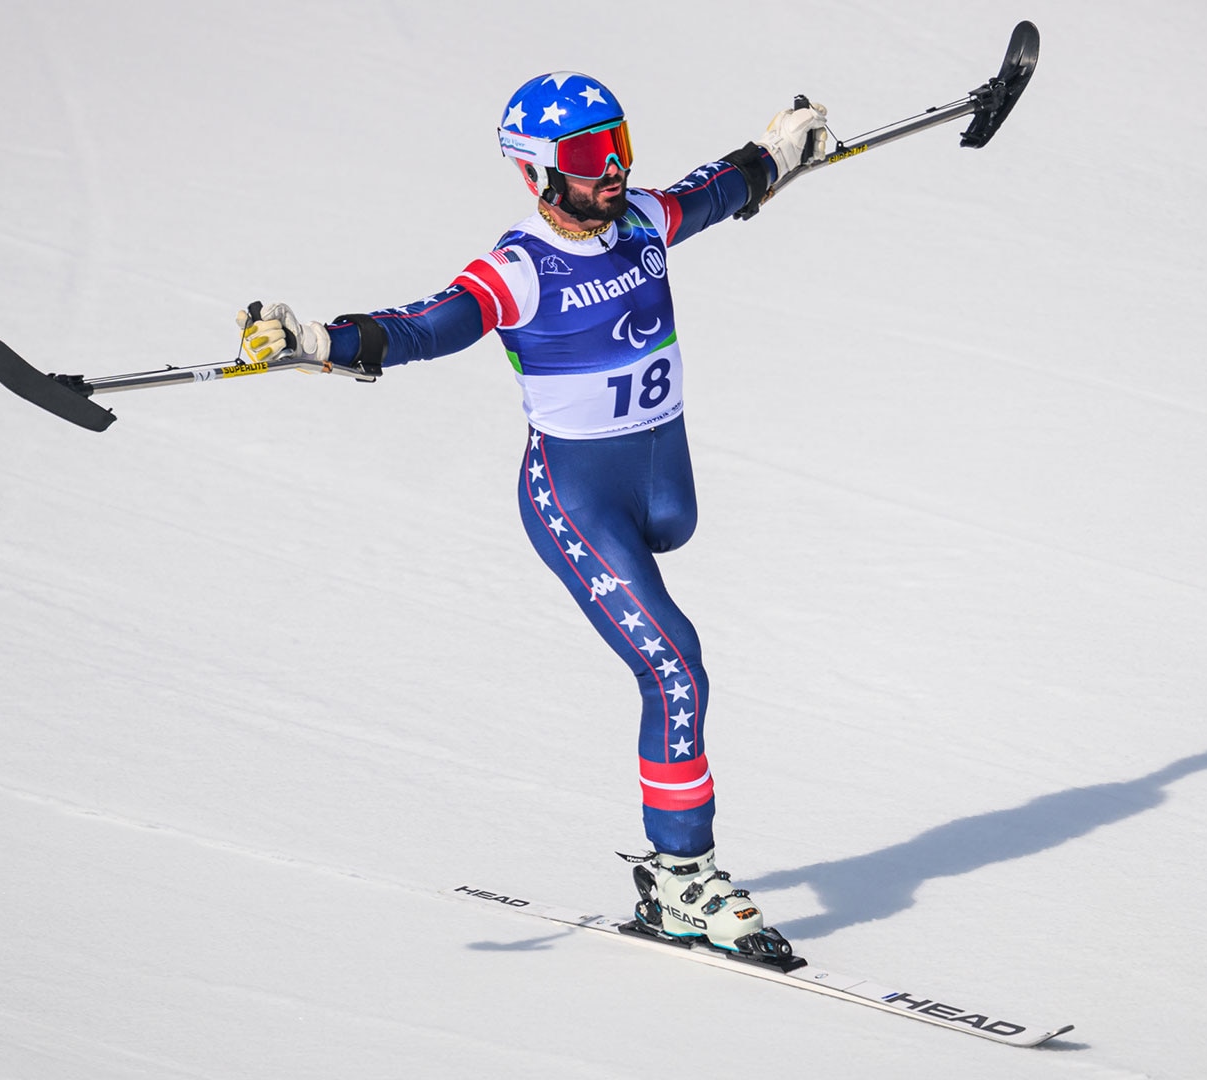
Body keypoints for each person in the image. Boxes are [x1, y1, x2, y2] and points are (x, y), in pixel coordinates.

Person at [238, 72, 829, 962]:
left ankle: (680, 872)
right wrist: (322, 341)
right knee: (676, 670)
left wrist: (779, 152)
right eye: (593, 159)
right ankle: (683, 882)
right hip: (575, 498)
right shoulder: (518, 270)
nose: (616, 172)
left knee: (676, 553)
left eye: (621, 147)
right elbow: (425, 326)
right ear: (540, 175)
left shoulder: (640, 225)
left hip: (657, 488)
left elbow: (715, 189)